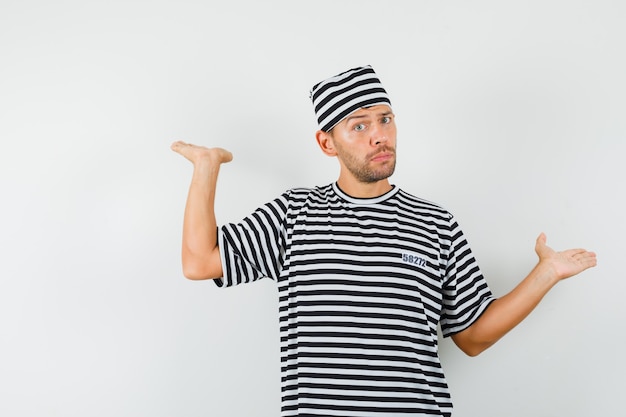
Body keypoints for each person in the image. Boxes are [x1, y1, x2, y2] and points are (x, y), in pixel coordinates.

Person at [171, 65, 597, 417]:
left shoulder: (435, 223)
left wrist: (546, 273)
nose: (380, 136)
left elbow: (473, 336)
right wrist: (207, 168)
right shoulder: (293, 214)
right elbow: (199, 261)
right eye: (359, 125)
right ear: (326, 143)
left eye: (385, 120)